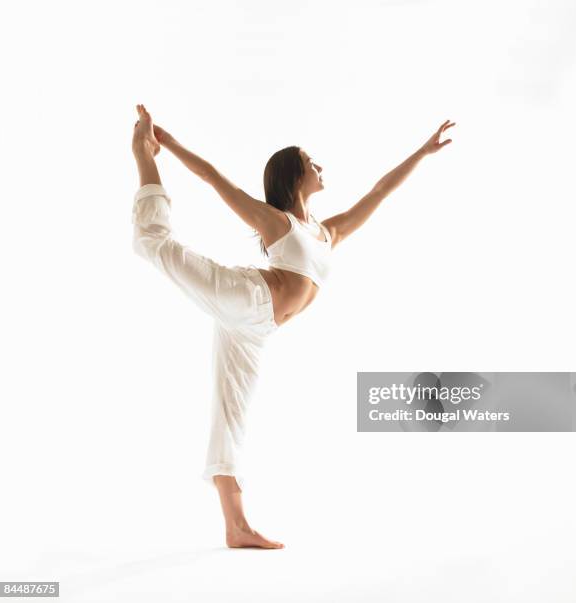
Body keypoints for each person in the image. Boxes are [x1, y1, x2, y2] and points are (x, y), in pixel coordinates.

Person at [131, 103, 455, 548]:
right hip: (245, 296)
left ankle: (236, 526)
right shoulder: (277, 223)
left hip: (256, 328)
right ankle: (141, 158)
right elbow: (212, 177)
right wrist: (163, 145)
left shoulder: (329, 232)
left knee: (231, 417)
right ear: (294, 175)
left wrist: (422, 151)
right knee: (153, 243)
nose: (319, 166)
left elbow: (379, 191)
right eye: (310, 162)